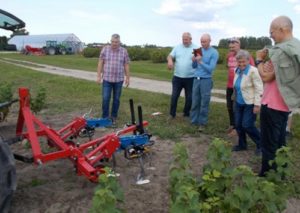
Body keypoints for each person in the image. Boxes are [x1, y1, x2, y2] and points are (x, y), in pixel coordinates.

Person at [256, 16, 300, 176]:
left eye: (272, 32)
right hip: (285, 103)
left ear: (282, 29)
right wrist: (266, 67)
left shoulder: (282, 51)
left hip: (273, 104)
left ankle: (268, 176)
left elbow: (266, 77)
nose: (271, 36)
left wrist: (258, 61)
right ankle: (281, 170)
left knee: (269, 143)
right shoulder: (296, 47)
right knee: (280, 140)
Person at [231, 50, 263, 155]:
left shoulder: (253, 71)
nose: (241, 64)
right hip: (239, 102)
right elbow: (236, 86)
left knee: (247, 125)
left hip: (250, 103)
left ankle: (261, 144)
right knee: (238, 125)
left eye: (244, 62)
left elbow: (259, 88)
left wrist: (257, 104)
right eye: (239, 62)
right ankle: (242, 145)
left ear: (248, 60)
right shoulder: (237, 70)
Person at [96, 34, 130, 124]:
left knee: (116, 99)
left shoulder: (124, 51)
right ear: (110, 41)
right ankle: (105, 117)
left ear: (119, 42)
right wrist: (98, 76)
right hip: (107, 79)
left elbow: (126, 64)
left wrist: (128, 77)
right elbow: (100, 63)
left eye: (116, 42)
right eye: (113, 42)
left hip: (119, 80)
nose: (114, 44)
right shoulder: (105, 49)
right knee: (105, 98)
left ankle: (114, 116)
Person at [226, 37, 255, 136]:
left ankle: (239, 127)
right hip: (230, 85)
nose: (232, 48)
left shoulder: (245, 56)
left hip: (241, 87)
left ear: (239, 45)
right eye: (230, 46)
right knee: (229, 106)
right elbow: (229, 68)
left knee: (237, 106)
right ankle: (232, 124)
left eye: (234, 45)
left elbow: (252, 69)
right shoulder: (229, 56)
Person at [190, 33, 219, 132]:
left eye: (204, 41)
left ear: (210, 41)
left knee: (204, 102)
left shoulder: (214, 52)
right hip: (196, 79)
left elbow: (210, 69)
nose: (202, 44)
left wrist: (201, 61)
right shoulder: (198, 50)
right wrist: (193, 60)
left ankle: (202, 123)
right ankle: (194, 121)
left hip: (206, 80)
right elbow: (194, 66)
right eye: (201, 41)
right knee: (195, 101)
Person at [167, 32, 198, 118]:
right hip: (177, 77)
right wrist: (170, 60)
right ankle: (172, 114)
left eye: (186, 39)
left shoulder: (196, 48)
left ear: (190, 39)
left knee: (189, 97)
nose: (184, 41)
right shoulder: (177, 47)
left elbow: (199, 60)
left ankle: (186, 113)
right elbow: (170, 56)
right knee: (174, 96)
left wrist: (196, 59)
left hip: (191, 77)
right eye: (183, 39)